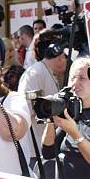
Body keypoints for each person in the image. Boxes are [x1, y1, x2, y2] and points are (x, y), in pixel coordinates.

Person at [18, 29, 67, 161]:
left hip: (48, 148)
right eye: (65, 56)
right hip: (36, 152)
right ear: (61, 56)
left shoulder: (47, 72)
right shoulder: (35, 73)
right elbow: (27, 109)